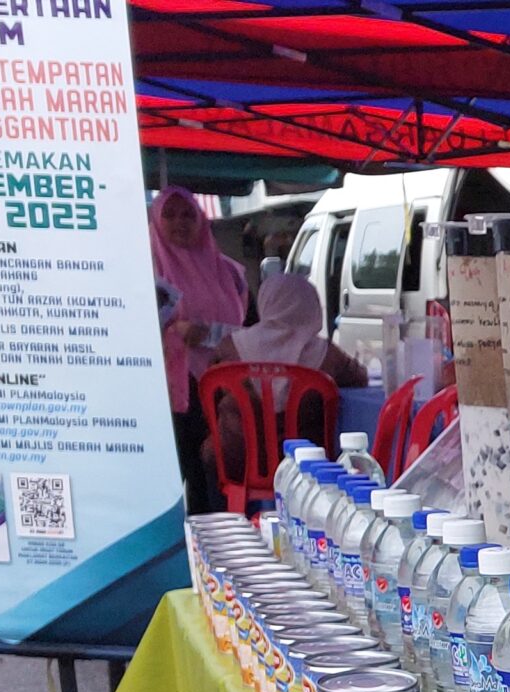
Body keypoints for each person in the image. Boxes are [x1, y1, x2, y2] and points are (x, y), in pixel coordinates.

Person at [204, 270, 368, 483]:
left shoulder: (230, 347)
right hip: (306, 466)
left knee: (212, 454)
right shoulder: (328, 355)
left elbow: (210, 390)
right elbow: (360, 378)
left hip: (235, 461)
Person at [150, 187, 247, 512]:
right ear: (155, 220)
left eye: (188, 215)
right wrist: (171, 331)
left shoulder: (230, 273)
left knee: (218, 472)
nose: (180, 222)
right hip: (172, 387)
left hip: (226, 386)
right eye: (170, 214)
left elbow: (248, 330)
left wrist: (210, 334)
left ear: (201, 219)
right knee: (184, 471)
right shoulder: (145, 271)